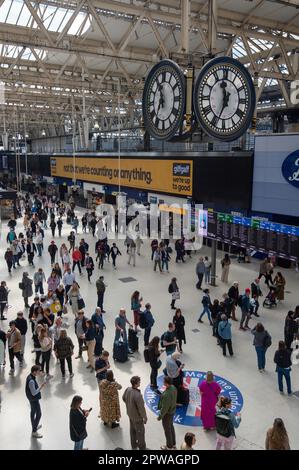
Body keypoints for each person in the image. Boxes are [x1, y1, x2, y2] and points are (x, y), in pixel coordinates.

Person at [122, 376, 147, 450]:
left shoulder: (128, 389)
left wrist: (130, 405)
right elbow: (141, 409)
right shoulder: (138, 395)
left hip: (130, 415)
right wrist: (145, 417)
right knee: (140, 434)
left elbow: (123, 398)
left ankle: (134, 446)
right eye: (139, 381)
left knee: (132, 431)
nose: (140, 382)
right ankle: (142, 448)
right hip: (137, 418)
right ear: (136, 384)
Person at [25, 365, 46, 438]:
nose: (39, 372)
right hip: (33, 399)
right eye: (38, 371)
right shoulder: (31, 381)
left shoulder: (30, 376)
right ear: (34, 372)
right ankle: (34, 431)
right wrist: (41, 387)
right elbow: (34, 392)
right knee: (39, 414)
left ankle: (34, 426)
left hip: (31, 398)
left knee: (33, 411)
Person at [158, 376, 177, 450]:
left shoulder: (166, 395)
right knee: (171, 427)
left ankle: (169, 446)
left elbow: (164, 408)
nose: (163, 382)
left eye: (164, 381)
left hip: (167, 414)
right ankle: (173, 444)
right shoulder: (173, 388)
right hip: (172, 411)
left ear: (166, 383)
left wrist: (160, 416)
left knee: (167, 430)